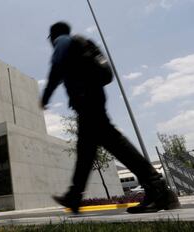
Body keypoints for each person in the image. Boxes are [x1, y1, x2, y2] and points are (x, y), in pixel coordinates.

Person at [40, 21, 180, 214]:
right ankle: (74, 196)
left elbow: (55, 73)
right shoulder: (77, 42)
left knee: (113, 143)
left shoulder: (61, 42)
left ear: (53, 36)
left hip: (87, 100)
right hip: (92, 98)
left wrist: (45, 98)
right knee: (86, 150)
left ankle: (159, 190)